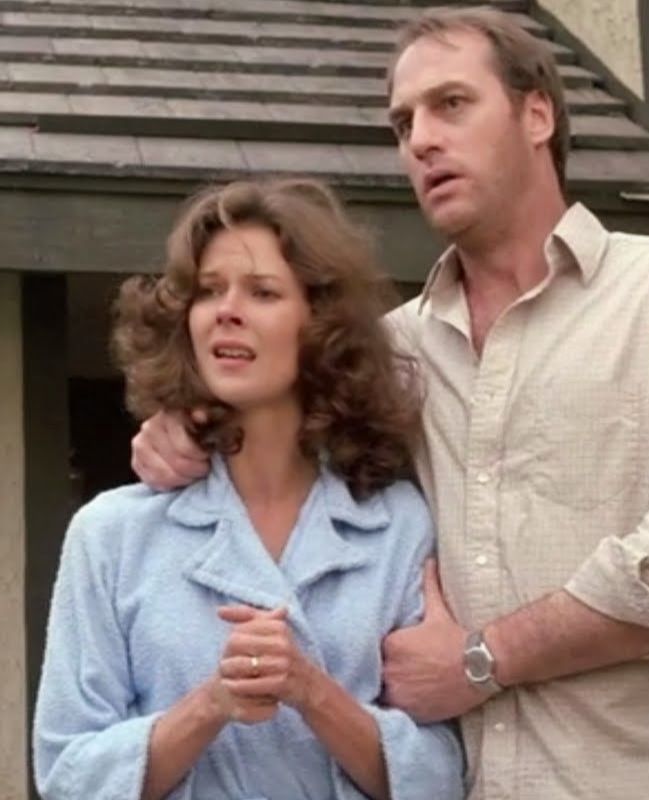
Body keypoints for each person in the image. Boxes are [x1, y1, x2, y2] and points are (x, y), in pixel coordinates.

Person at [130, 7, 649, 800]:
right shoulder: (392, 353)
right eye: (404, 124)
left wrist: (481, 660)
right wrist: (181, 426)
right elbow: (270, 436)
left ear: (537, 113)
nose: (421, 141)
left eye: (451, 105)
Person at [32, 178, 464, 800]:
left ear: (320, 326)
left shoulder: (397, 526)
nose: (227, 310)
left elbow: (441, 776)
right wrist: (211, 704)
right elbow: (68, 777)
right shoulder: (110, 535)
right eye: (209, 291)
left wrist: (309, 690)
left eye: (262, 292)